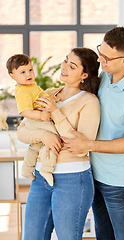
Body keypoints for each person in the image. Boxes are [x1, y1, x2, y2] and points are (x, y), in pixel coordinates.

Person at [62, 27, 124, 240]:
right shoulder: (106, 76)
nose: (99, 60)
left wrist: (88, 145)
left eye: (106, 57)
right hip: (95, 171)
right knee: (104, 234)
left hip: (120, 178)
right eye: (100, 51)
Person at [17, 47, 101, 240]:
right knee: (32, 236)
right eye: (65, 61)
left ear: (84, 75)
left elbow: (80, 147)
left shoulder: (89, 102)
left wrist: (55, 112)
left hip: (72, 180)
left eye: (72, 66)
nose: (64, 67)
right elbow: (22, 131)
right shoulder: (48, 93)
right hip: (40, 178)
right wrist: (43, 135)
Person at [6, 54, 60, 186]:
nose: (28, 74)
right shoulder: (22, 91)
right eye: (22, 72)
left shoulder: (31, 85)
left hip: (38, 119)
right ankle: (47, 169)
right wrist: (41, 116)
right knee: (54, 137)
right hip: (36, 120)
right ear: (12, 76)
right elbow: (25, 111)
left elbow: (40, 96)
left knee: (35, 146)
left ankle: (26, 169)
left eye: (30, 70)